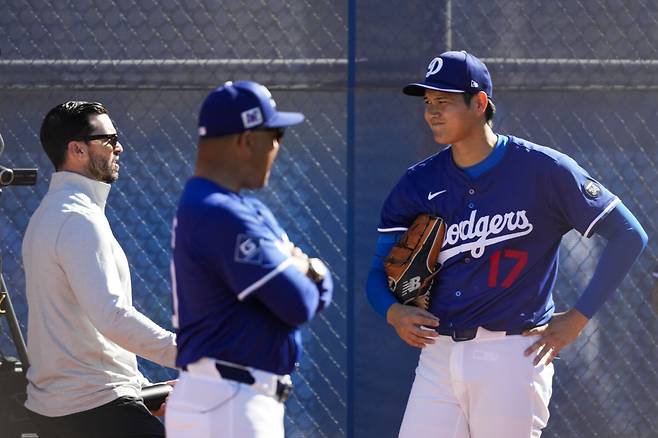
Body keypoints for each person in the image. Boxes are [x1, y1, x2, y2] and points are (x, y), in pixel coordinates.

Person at [365, 51, 648, 438]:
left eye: (444, 101)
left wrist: (578, 318)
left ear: (479, 103)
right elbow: (376, 273)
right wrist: (392, 312)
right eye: (428, 102)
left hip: (512, 354)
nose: (432, 111)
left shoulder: (544, 170)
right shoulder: (417, 182)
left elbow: (629, 235)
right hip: (437, 355)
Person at [165, 80, 333, 438]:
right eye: (275, 135)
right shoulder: (218, 211)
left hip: (229, 399)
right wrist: (311, 269)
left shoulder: (231, 206)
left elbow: (308, 297)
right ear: (247, 140)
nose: (277, 147)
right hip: (227, 404)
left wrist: (309, 275)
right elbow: (300, 302)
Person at [22, 101, 177, 438]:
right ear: (76, 149)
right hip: (94, 411)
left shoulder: (51, 215)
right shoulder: (77, 219)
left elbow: (85, 335)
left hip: (75, 408)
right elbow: (112, 317)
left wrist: (142, 389)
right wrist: (193, 353)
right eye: (108, 139)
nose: (118, 147)